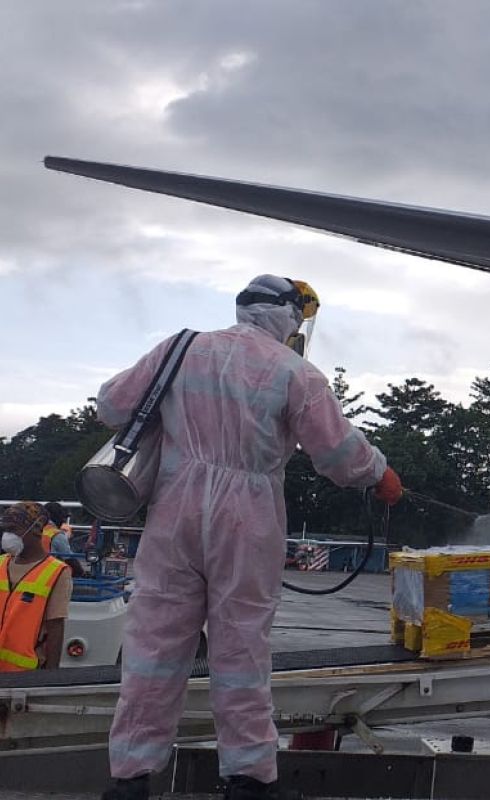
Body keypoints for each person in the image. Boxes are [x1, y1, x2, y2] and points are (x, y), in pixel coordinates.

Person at [97, 275, 405, 800]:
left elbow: (111, 404)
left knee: (153, 648)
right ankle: (246, 778)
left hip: (174, 510)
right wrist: (381, 475)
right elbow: (336, 452)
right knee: (241, 651)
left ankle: (130, 777)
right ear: (288, 317)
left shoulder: (181, 348)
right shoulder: (294, 372)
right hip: (249, 518)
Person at [0, 501, 72, 671]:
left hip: (24, 674)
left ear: (34, 530)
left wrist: (51, 676)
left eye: (13, 529)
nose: (6, 536)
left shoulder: (57, 572)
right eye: (5, 529)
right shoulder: (1, 563)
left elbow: (55, 627)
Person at [43, 501, 85, 577]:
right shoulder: (57, 535)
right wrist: (82, 574)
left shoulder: (33, 530)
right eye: (63, 518)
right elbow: (70, 559)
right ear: (57, 518)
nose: (64, 521)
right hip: (48, 575)